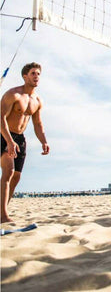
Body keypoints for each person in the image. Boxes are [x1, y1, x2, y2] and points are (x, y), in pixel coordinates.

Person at [1, 63, 49, 223]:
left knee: (16, 177)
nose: (37, 76)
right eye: (33, 73)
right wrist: (9, 140)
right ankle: (3, 216)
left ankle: (2, 209)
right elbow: (0, 117)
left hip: (20, 139)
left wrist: (43, 141)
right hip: (4, 134)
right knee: (8, 171)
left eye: (38, 74)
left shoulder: (37, 100)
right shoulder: (13, 94)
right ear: (25, 76)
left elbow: (37, 124)